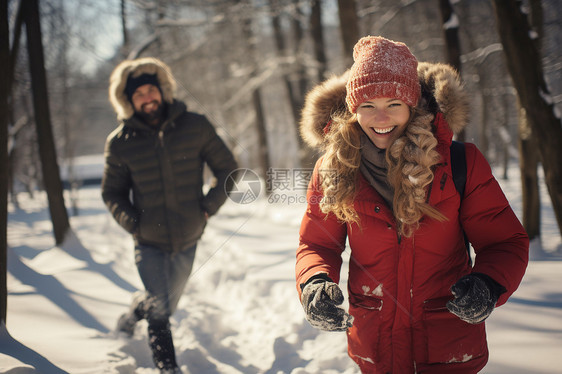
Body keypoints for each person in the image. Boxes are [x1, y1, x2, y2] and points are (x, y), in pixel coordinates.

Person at [295, 36, 529, 373]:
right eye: (367, 105)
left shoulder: (459, 163)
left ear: (413, 105)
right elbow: (316, 243)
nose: (380, 118)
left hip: (446, 343)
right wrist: (314, 282)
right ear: (353, 108)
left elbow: (505, 241)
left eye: (394, 103)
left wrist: (489, 283)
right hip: (376, 344)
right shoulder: (333, 168)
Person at [102, 57, 238, 373]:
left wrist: (207, 208)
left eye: (151, 90)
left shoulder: (196, 125)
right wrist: (133, 223)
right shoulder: (120, 142)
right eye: (138, 94)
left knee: (166, 303)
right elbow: (112, 193)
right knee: (161, 307)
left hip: (189, 236)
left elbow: (228, 169)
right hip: (148, 240)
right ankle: (168, 368)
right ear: (128, 100)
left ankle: (135, 311)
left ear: (162, 90)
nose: (147, 98)